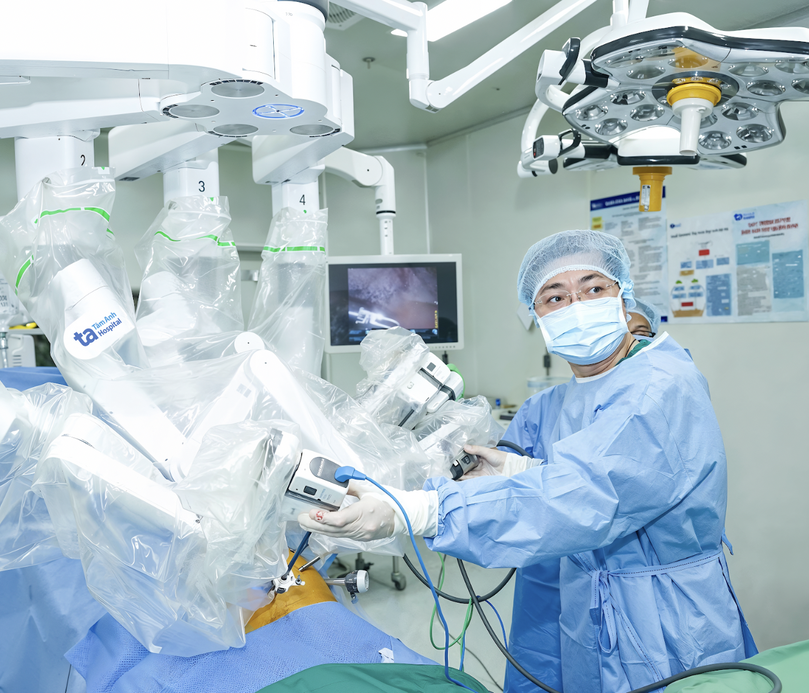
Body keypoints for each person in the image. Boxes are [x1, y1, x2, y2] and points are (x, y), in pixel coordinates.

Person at [298, 230, 756, 693]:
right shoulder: (570, 396)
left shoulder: (659, 388)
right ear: (536, 316)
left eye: (593, 288)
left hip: (664, 622)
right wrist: (520, 471)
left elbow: (589, 496)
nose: (576, 305)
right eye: (555, 297)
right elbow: (592, 480)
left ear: (624, 296)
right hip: (592, 606)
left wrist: (420, 511)